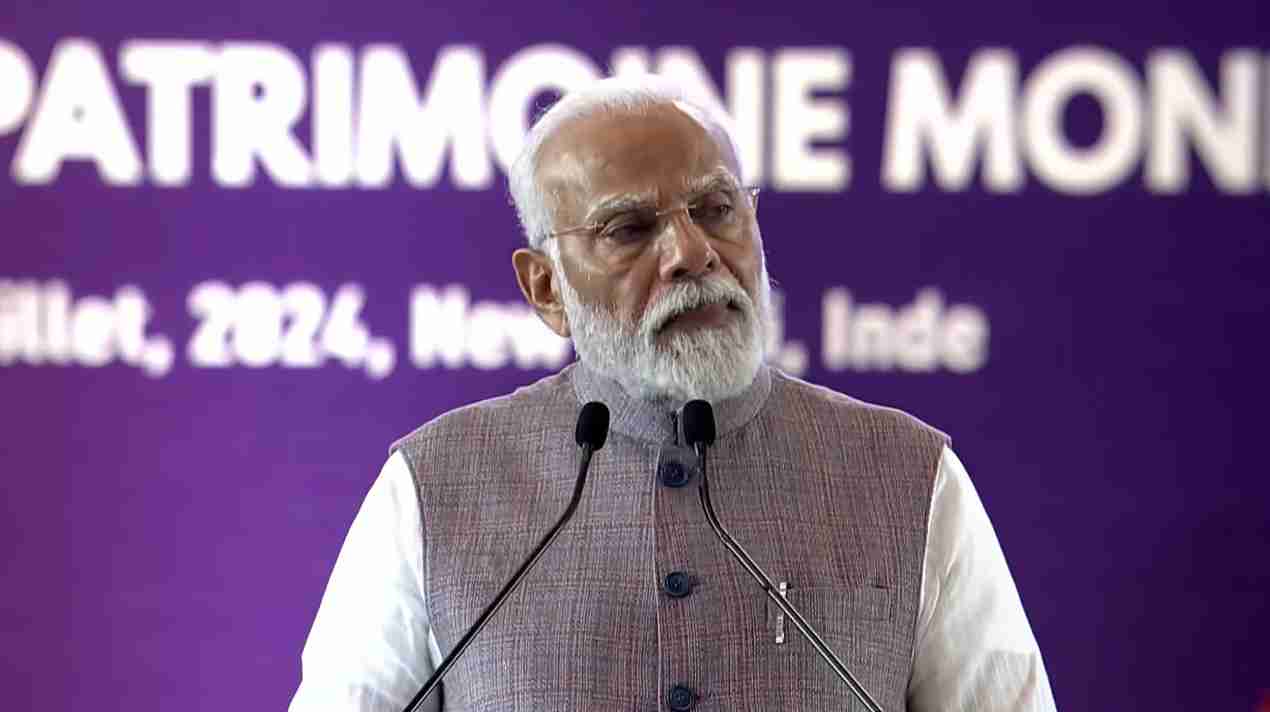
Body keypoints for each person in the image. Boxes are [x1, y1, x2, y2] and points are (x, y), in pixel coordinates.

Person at [289, 75, 1058, 712]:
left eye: (718, 210)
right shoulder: (434, 485)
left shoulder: (909, 475)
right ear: (547, 288)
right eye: (628, 228)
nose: (693, 252)